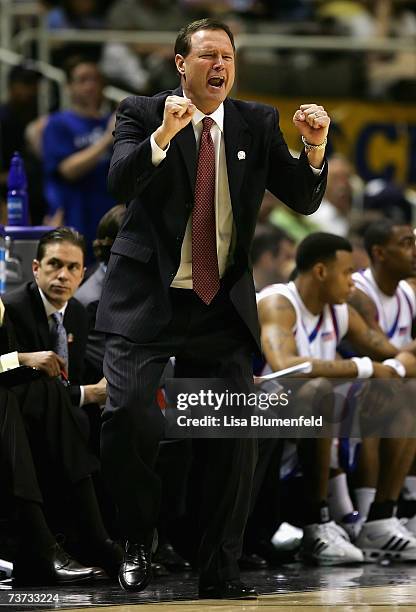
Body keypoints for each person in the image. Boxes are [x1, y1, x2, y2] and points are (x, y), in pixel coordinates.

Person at [96, 17, 329, 597]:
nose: (220, 65)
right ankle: (134, 538)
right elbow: (119, 185)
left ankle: (219, 571)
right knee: (129, 415)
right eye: (207, 56)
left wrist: (315, 146)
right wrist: (165, 137)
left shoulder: (255, 120)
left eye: (227, 55)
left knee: (234, 433)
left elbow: (302, 197)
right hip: (147, 297)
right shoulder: (142, 112)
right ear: (181, 64)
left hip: (218, 304)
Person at [257, 232, 416, 563]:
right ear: (320, 272)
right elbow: (284, 367)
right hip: (253, 419)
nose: (352, 283)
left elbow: (394, 355)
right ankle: (318, 523)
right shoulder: (278, 303)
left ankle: (379, 519)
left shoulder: (338, 311)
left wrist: (395, 371)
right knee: (320, 390)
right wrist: (361, 367)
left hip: (306, 429)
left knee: (399, 393)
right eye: (346, 274)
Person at [3, 227, 106, 439]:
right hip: (23, 418)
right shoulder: (11, 309)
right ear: (36, 268)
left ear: (82, 275)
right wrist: (88, 394)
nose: (63, 276)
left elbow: (72, 378)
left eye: (72, 268)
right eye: (54, 264)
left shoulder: (77, 313)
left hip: (62, 410)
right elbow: (7, 374)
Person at [348, 220, 416, 535]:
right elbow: (380, 353)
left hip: (388, 385)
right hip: (348, 388)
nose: (414, 251)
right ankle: (367, 517)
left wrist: (399, 368)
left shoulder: (407, 293)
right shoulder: (358, 292)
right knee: (398, 391)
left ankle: (398, 510)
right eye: (405, 243)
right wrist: (403, 365)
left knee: (404, 390)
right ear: (379, 253)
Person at [42, 58, 116, 262]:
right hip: (74, 221)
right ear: (69, 87)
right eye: (82, 80)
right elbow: (68, 170)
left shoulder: (113, 120)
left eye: (95, 79)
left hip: (110, 221)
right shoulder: (58, 124)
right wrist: (106, 140)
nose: (90, 86)